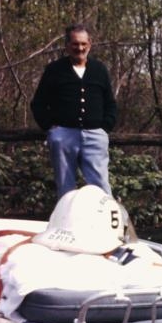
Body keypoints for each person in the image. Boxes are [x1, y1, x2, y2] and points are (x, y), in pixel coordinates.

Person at [31, 24, 117, 199]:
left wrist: (104, 127)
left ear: (90, 44)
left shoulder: (99, 70)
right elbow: (38, 103)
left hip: (94, 135)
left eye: (84, 44)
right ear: (67, 46)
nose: (80, 48)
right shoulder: (54, 70)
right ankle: (67, 222)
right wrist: (51, 128)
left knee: (100, 185)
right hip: (63, 136)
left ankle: (102, 223)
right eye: (75, 44)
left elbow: (110, 103)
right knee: (65, 187)